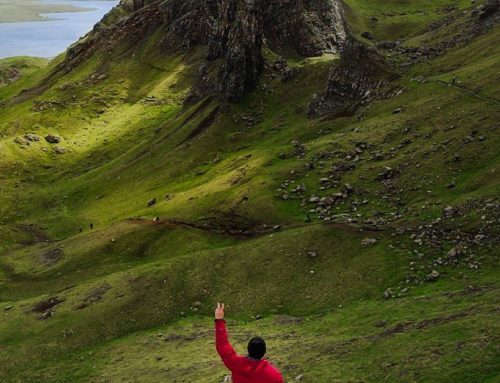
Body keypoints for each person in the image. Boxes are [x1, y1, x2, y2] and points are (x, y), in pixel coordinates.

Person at [214, 303, 284, 383]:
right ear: (264, 352)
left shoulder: (236, 364)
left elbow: (222, 346)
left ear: (248, 349)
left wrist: (219, 320)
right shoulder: (274, 375)